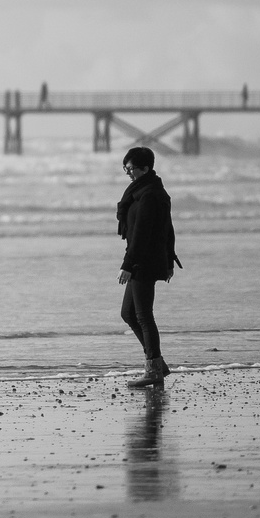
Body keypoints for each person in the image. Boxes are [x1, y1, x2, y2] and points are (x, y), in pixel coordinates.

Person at [117, 146, 180, 389]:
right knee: (129, 313)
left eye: (131, 168)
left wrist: (128, 265)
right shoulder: (146, 190)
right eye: (126, 169)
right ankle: (158, 363)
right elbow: (167, 229)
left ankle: (153, 369)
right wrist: (170, 257)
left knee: (143, 316)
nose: (128, 173)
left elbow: (144, 234)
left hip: (143, 261)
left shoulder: (150, 195)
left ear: (146, 168)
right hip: (144, 259)